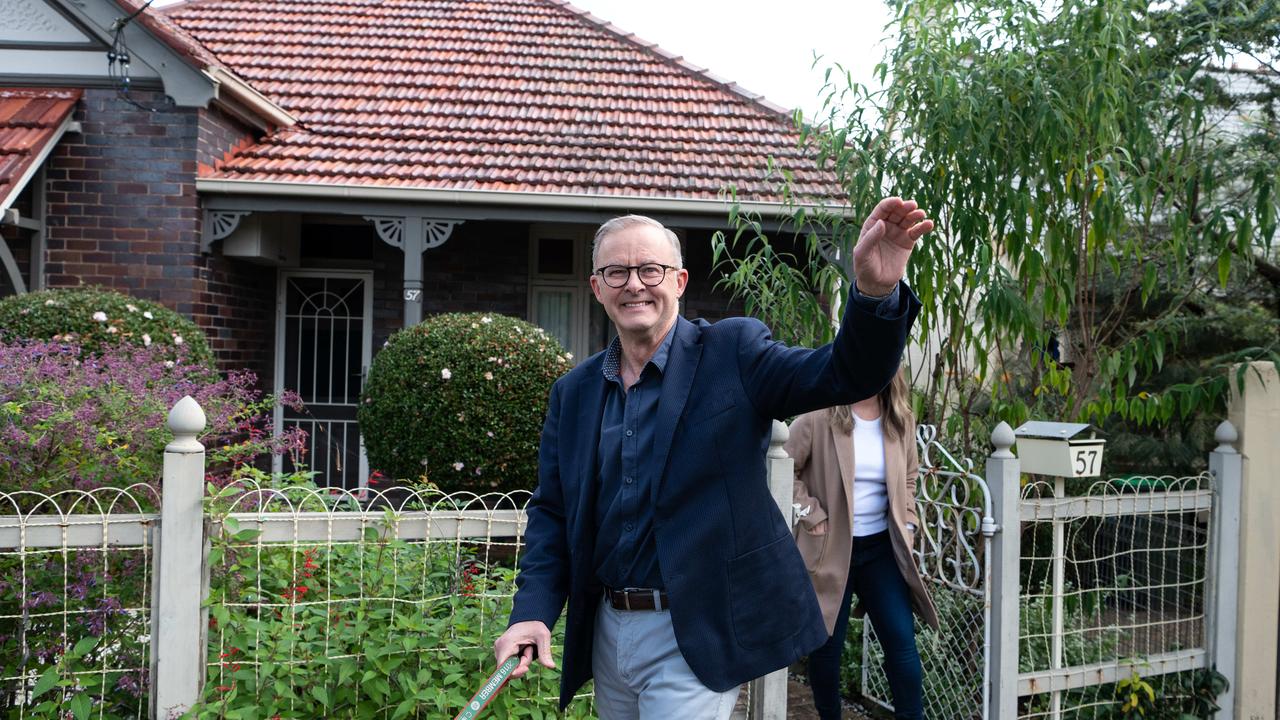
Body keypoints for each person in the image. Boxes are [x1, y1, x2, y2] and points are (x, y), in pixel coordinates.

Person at [493, 198, 934, 719]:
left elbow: (845, 374)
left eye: (649, 269)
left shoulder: (733, 354)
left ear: (678, 281)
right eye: (616, 272)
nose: (634, 284)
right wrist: (532, 613)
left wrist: (874, 293)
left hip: (695, 631)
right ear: (597, 288)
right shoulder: (575, 392)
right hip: (608, 631)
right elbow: (554, 512)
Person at [788, 368, 939, 720]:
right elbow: (782, 464)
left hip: (882, 552)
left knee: (903, 648)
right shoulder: (819, 414)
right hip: (830, 549)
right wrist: (812, 513)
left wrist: (910, 521)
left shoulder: (900, 418)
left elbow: (910, 478)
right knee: (826, 651)